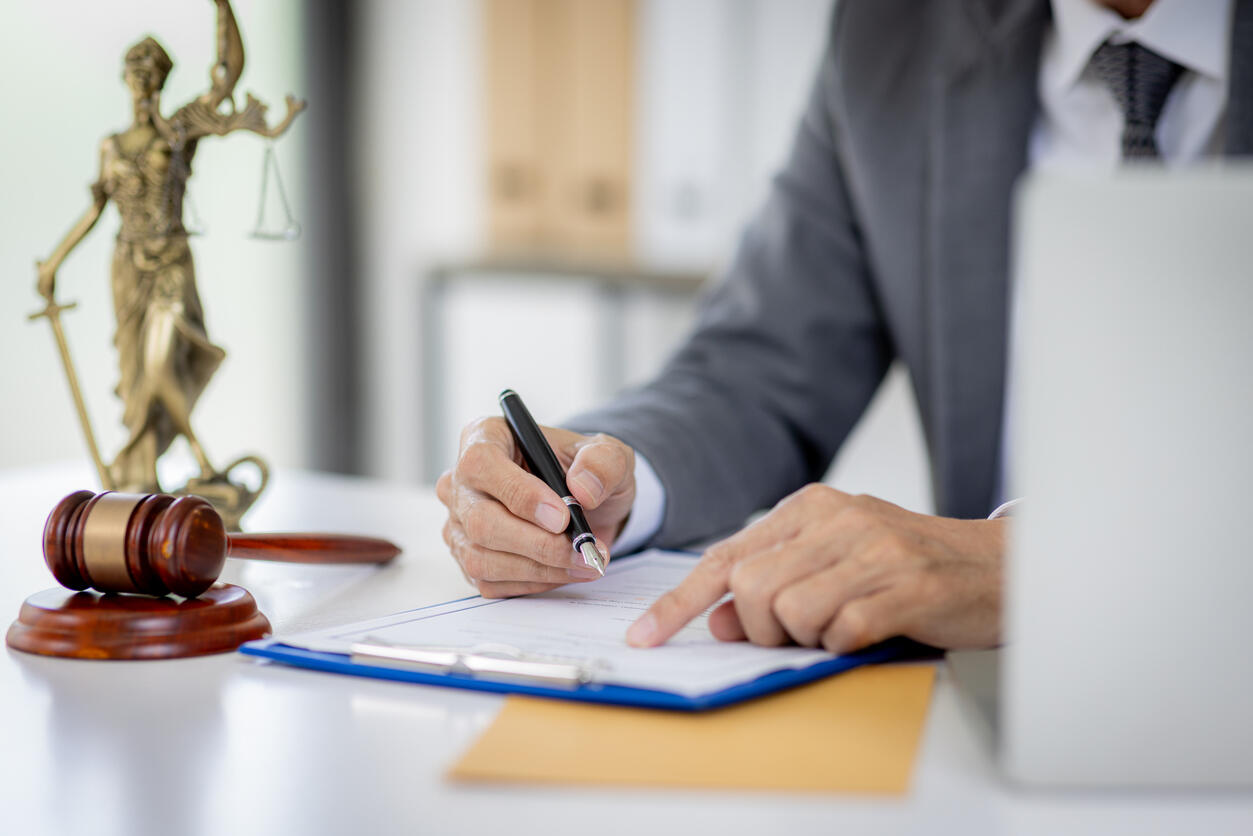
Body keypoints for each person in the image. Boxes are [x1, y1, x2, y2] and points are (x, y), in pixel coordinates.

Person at [439, 0, 1248, 654]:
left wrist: (1045, 565)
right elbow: (758, 368)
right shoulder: (892, 32)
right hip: (976, 717)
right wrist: (607, 481)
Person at [35, 0, 303, 493]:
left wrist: (222, 6)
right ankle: (149, 478)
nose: (142, 84)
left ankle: (204, 462)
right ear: (125, 81)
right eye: (135, 75)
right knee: (139, 379)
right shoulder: (111, 145)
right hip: (127, 268)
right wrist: (54, 261)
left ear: (161, 79)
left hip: (172, 262)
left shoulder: (179, 130)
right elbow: (96, 210)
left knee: (160, 364)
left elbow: (229, 73)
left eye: (151, 75)